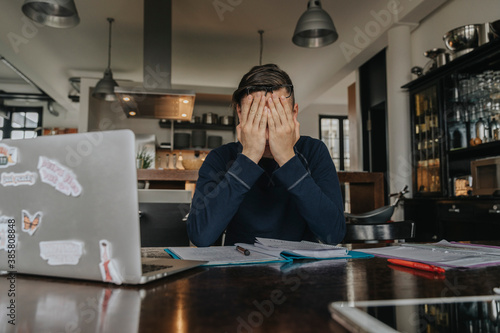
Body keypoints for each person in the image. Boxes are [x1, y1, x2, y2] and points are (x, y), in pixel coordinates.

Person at [187, 64, 345, 246]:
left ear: (294, 113)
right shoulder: (221, 158)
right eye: (256, 117)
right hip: (238, 269)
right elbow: (200, 236)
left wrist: (287, 158)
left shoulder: (314, 151)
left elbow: (333, 234)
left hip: (302, 270)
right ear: (240, 113)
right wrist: (248, 158)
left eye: (278, 116)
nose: (268, 129)